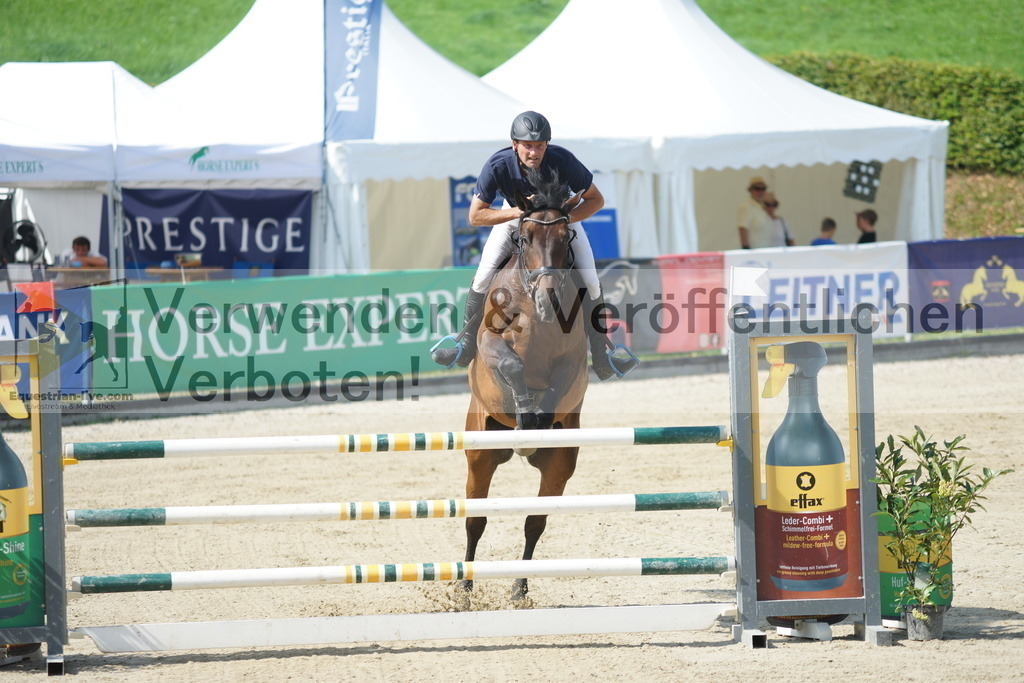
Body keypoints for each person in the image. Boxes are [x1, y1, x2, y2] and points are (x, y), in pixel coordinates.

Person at [430, 111, 638, 380]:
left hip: (559, 216)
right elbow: (476, 215)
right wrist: (517, 213)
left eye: (540, 146)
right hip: (515, 215)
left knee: (592, 281)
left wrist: (562, 221)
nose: (534, 152)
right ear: (515, 144)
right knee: (483, 275)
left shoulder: (563, 160)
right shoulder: (498, 165)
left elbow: (596, 200)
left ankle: (601, 354)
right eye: (528, 145)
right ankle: (467, 345)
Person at [736, 176, 774, 249]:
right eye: (757, 189)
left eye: (763, 189)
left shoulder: (764, 208)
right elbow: (742, 229)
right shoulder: (746, 207)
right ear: (750, 191)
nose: (760, 192)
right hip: (754, 252)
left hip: (767, 250)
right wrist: (746, 250)